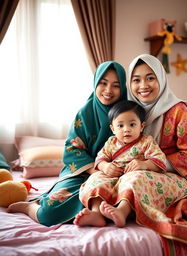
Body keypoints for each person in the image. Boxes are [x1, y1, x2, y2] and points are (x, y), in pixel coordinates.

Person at [7, 61, 127, 226]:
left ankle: (96, 213)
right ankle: (30, 208)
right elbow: (72, 150)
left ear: (123, 88)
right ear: (95, 83)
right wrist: (100, 168)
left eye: (116, 85)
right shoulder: (85, 114)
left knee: (124, 202)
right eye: (103, 83)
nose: (108, 90)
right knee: (49, 212)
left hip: (117, 177)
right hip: (83, 173)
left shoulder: (128, 112)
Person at [122, 54, 187, 249]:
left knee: (137, 179)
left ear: (161, 79)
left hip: (178, 177)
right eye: (136, 79)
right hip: (138, 171)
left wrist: (151, 164)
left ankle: (122, 209)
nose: (143, 85)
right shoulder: (130, 112)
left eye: (150, 77)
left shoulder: (178, 110)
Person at [73, 100, 167, 227]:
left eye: (132, 124)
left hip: (133, 175)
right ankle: (96, 213)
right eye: (120, 126)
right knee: (96, 178)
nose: (126, 130)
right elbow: (100, 159)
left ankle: (122, 211)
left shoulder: (146, 141)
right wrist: (105, 166)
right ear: (112, 128)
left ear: (142, 126)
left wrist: (144, 164)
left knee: (136, 179)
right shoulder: (111, 142)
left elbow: (159, 159)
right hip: (113, 176)